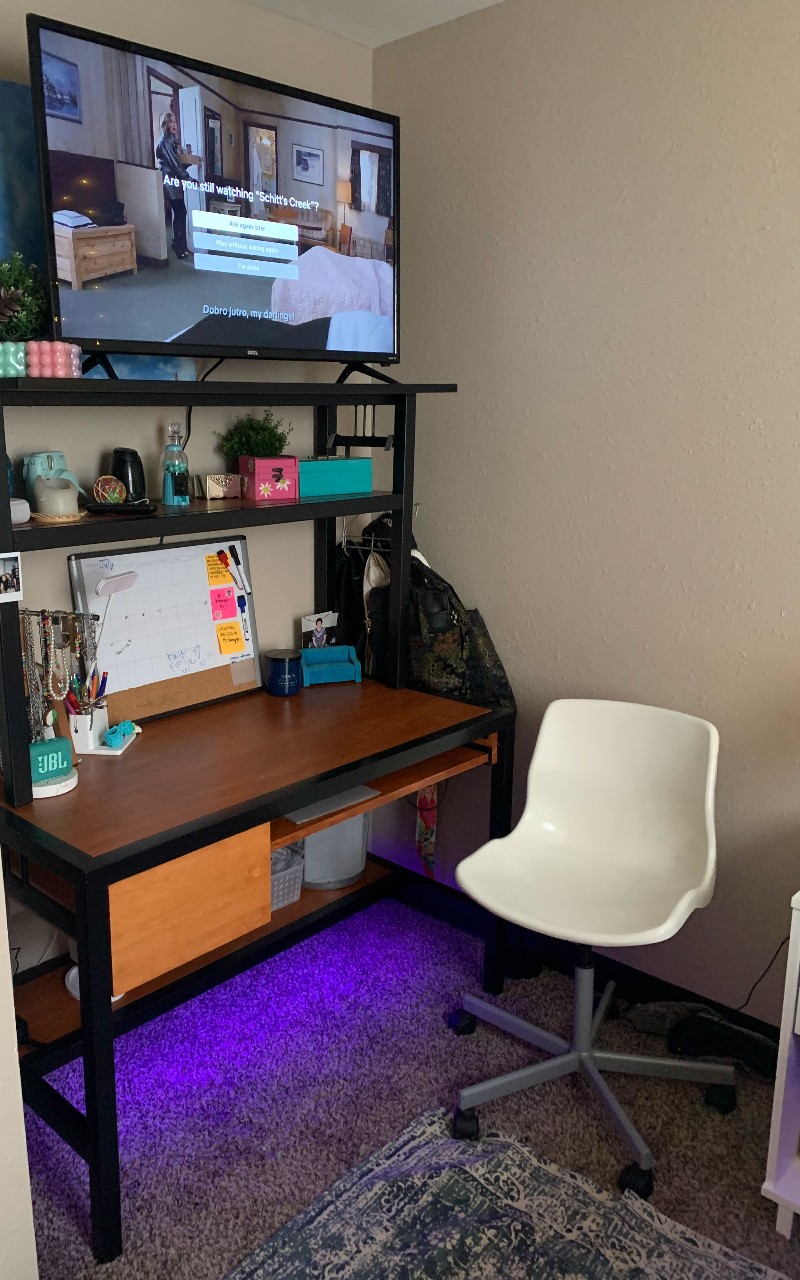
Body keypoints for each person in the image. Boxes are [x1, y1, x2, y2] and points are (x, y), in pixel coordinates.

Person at [156, 111, 198, 260]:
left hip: (174, 180)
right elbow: (174, 164)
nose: (174, 125)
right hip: (170, 181)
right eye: (171, 122)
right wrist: (188, 178)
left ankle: (177, 243)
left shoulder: (172, 140)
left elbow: (177, 164)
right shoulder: (166, 141)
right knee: (180, 212)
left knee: (179, 212)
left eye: (175, 122)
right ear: (165, 124)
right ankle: (179, 247)